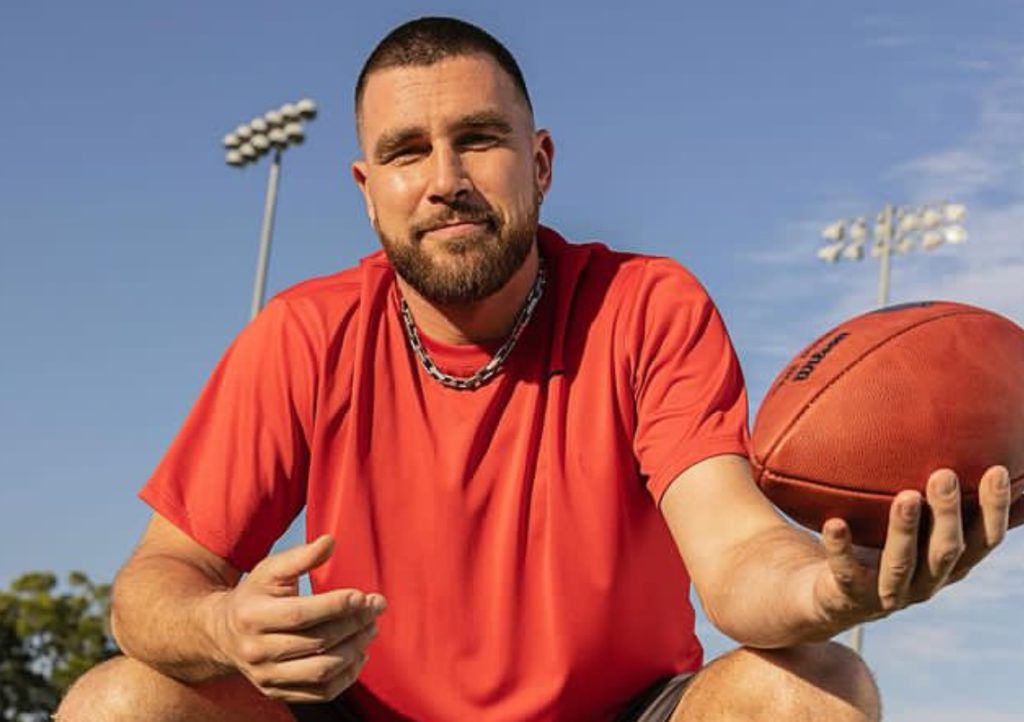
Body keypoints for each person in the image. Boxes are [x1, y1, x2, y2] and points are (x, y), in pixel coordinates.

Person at [58, 16, 1018, 722]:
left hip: (619, 713)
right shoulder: (305, 334)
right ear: (367, 190)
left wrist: (826, 589)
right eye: (406, 152)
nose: (445, 180)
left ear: (541, 162)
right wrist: (224, 626)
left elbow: (734, 553)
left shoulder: (644, 306)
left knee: (815, 692)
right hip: (364, 717)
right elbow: (153, 584)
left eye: (478, 139)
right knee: (119, 703)